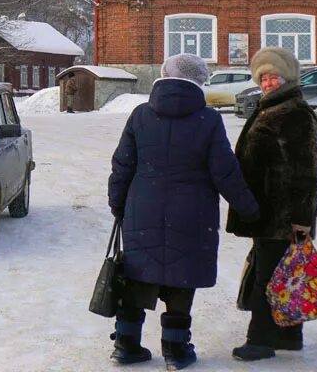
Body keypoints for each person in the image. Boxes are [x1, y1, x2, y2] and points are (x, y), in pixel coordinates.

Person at [108, 54, 260, 369]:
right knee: (181, 276)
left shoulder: (140, 116)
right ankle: (176, 351)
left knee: (137, 276)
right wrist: (249, 208)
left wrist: (118, 204)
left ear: (164, 76)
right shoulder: (208, 119)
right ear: (199, 81)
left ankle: (126, 345)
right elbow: (225, 172)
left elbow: (122, 164)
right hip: (192, 212)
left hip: (143, 208)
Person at [226, 46, 317, 362]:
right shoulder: (271, 107)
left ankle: (260, 340)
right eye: (263, 77)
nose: (267, 83)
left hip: (282, 215)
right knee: (285, 274)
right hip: (266, 209)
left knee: (267, 278)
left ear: (288, 78)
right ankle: (289, 336)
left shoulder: (295, 113)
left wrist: (301, 218)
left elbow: (306, 172)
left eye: (274, 77)